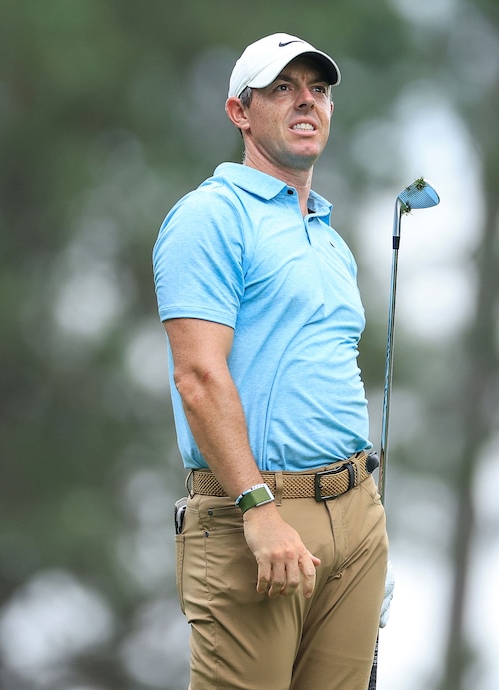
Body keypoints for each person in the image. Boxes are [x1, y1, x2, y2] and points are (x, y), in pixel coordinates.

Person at [153, 32, 389, 690]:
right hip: (255, 519)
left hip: (355, 517)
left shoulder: (329, 238)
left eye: (317, 89)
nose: (305, 101)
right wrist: (258, 511)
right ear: (239, 112)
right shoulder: (210, 217)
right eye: (282, 88)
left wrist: (363, 520)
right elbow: (198, 376)